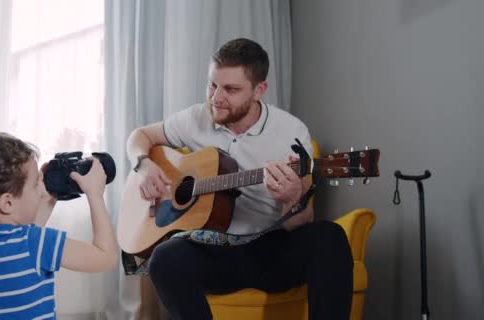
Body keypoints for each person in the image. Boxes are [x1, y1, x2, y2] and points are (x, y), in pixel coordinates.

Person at [125, 38, 353, 319]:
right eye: (212, 84)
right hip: (214, 250)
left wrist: (291, 199)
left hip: (270, 250)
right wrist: (143, 164)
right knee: (163, 259)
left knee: (329, 237)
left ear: (259, 90)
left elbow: (300, 221)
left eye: (231, 89)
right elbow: (140, 136)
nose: (216, 98)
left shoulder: (291, 133)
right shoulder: (196, 117)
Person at [0, 130, 117, 319]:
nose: (39, 188)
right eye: (34, 185)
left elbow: (21, 248)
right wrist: (95, 194)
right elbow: (105, 257)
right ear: (7, 203)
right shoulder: (35, 243)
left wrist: (47, 198)